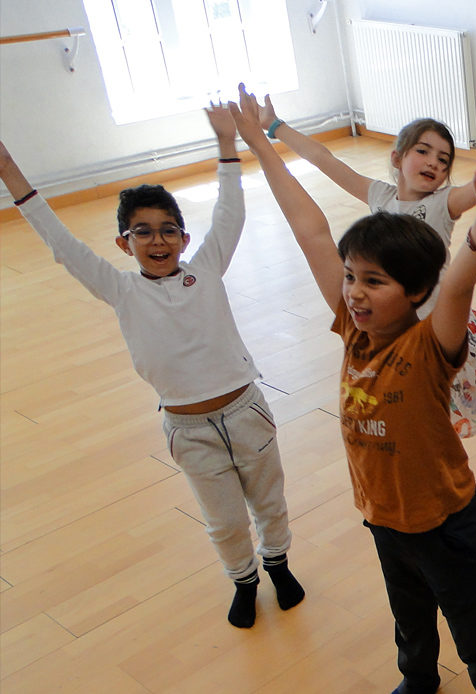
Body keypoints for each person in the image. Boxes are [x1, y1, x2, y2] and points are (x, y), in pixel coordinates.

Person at [229, 85, 476, 694]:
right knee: (409, 618)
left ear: (418, 293)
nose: (355, 292)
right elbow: (311, 229)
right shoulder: (353, 331)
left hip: (444, 523)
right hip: (384, 516)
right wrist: (260, 146)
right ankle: (419, 680)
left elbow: (459, 283)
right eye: (351, 278)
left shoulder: (428, 347)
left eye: (375, 281)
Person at [0, 107, 303, 630]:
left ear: (185, 240)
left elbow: (230, 212)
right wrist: (10, 173)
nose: (157, 241)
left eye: (168, 231)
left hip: (247, 413)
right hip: (189, 432)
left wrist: (227, 145)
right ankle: (244, 578)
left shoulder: (206, 268)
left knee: (269, 502)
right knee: (224, 521)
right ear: (124, 243)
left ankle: (277, 561)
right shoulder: (118, 290)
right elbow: (60, 243)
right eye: (142, 232)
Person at [258, 98, 476, 497]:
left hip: (447, 335)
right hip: (399, 339)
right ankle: (440, 483)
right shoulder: (379, 197)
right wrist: (274, 126)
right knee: (424, 416)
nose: (434, 163)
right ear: (397, 156)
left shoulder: (444, 203)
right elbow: (325, 160)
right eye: (423, 151)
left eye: (443, 159)